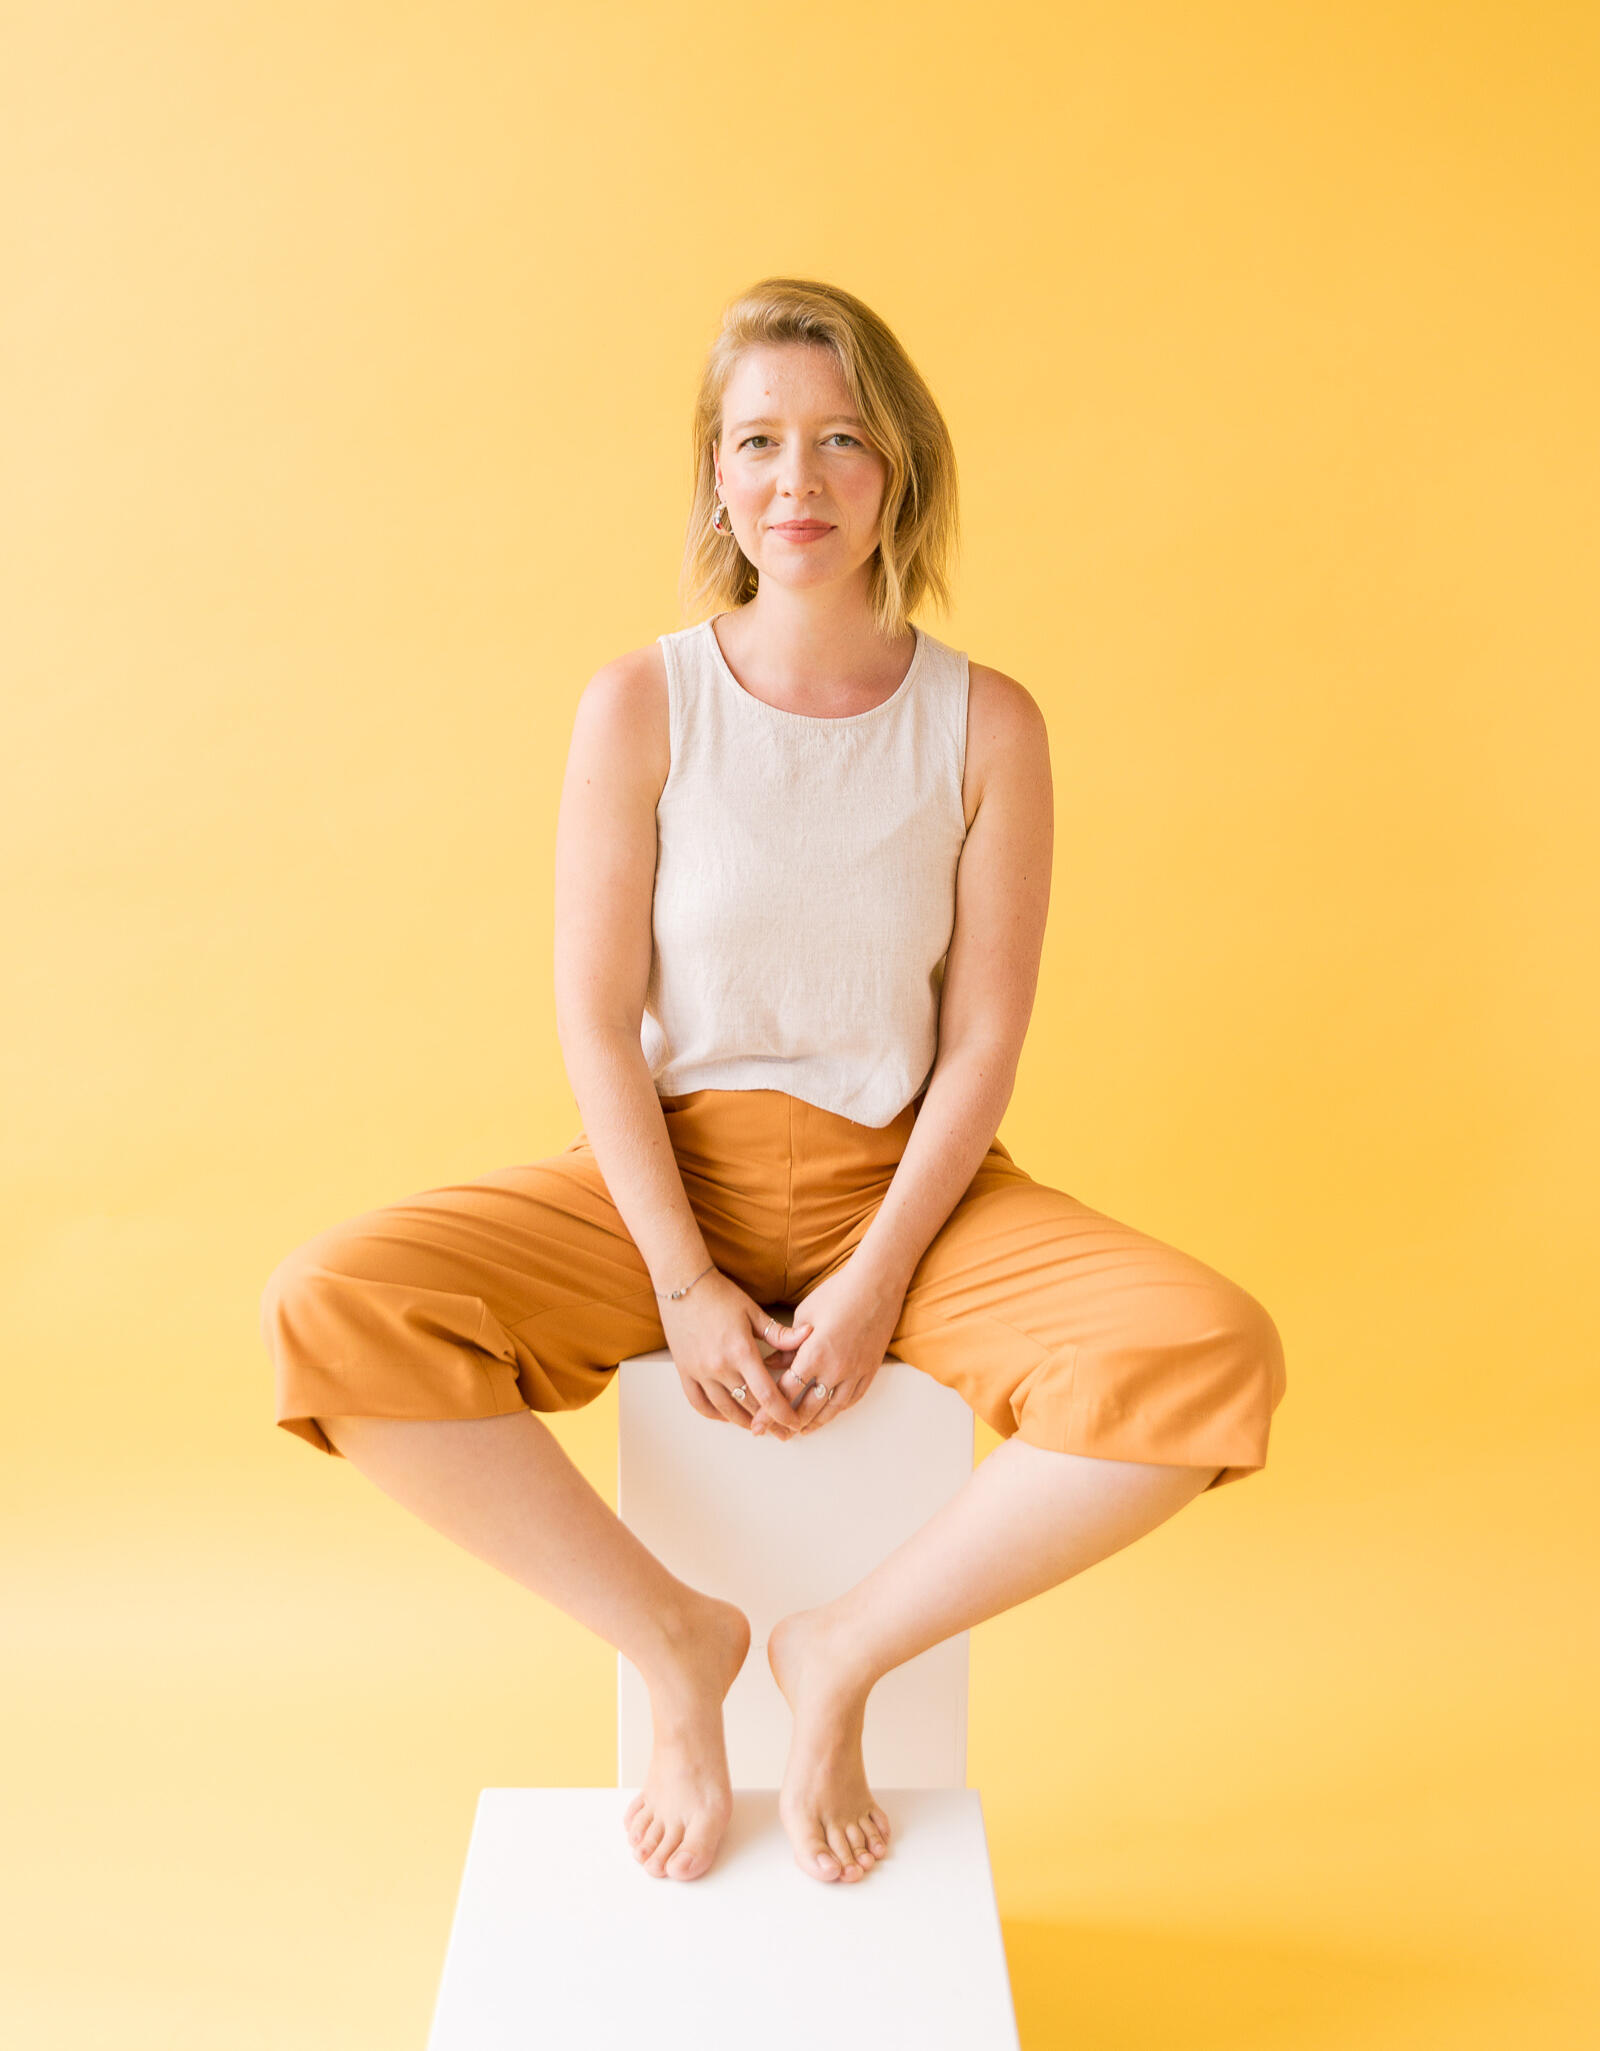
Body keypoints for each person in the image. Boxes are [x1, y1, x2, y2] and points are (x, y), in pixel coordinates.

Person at [259, 275, 1286, 1891]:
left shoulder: (989, 725)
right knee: (332, 1309)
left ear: (900, 470)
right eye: (757, 442)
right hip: (662, 1181)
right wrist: (683, 1282)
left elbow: (983, 1044)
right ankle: (675, 1636)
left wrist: (877, 1279)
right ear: (717, 474)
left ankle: (841, 1649)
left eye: (840, 440)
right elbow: (597, 1018)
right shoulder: (641, 702)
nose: (797, 478)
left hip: (915, 1190)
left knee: (1213, 1354)